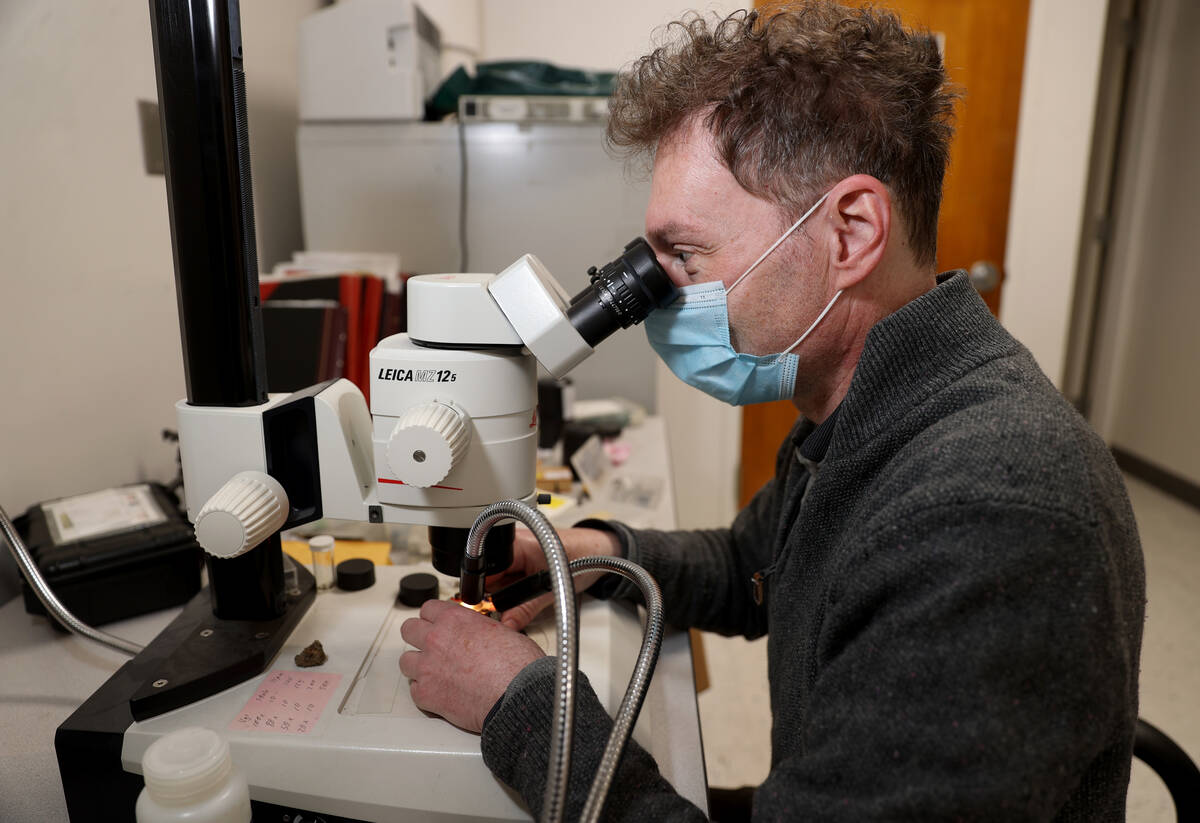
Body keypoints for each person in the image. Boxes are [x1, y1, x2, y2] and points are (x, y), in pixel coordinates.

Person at [398, 3, 1146, 820]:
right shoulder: (874, 404)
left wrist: (524, 704)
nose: (659, 297)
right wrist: (585, 553)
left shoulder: (987, 511)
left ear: (851, 232)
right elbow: (754, 567)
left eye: (685, 255)